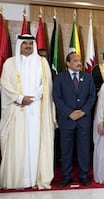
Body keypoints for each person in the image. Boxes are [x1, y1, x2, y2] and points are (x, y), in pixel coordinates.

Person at [0, 34, 55, 189]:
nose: (28, 46)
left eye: (30, 43)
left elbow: (46, 84)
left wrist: (33, 98)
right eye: (24, 43)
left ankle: (36, 178)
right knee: (18, 143)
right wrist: (19, 98)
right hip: (17, 109)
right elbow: (4, 85)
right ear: (19, 45)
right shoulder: (10, 63)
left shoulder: (42, 62)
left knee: (36, 142)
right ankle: (19, 180)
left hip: (37, 109)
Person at [53, 52, 96, 187]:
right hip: (67, 120)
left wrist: (83, 111)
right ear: (67, 63)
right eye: (75, 60)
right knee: (66, 150)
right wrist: (69, 113)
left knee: (84, 149)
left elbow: (92, 97)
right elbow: (57, 98)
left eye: (80, 60)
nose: (79, 63)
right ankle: (67, 176)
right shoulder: (60, 78)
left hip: (83, 119)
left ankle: (83, 175)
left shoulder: (87, 78)